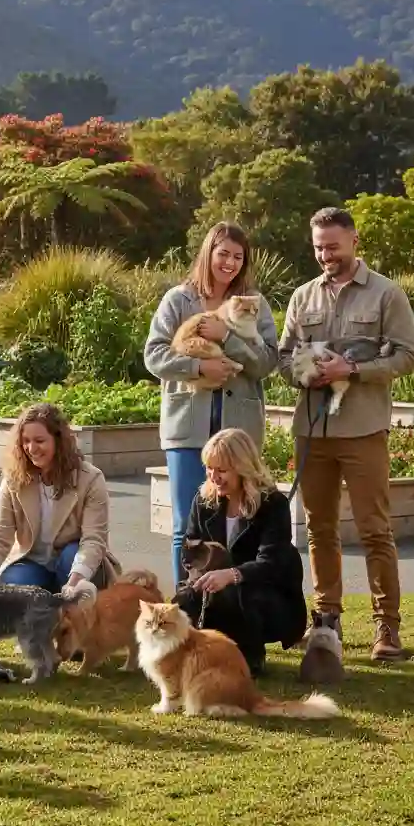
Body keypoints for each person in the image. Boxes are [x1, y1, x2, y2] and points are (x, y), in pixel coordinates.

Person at [278, 206, 414, 661]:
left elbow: (406, 358)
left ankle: (387, 628)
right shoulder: (303, 297)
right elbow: (284, 357)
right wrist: (306, 371)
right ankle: (327, 618)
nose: (325, 256)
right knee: (318, 529)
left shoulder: (386, 294)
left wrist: (352, 368)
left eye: (332, 247)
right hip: (312, 432)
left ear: (354, 241)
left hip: (363, 430)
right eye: (318, 248)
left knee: (375, 530)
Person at [144, 221, 279, 589]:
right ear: (208, 253)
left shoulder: (254, 303)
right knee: (186, 524)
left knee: (245, 519)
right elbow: (154, 355)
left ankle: (239, 602)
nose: (230, 263)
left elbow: (267, 361)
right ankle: (186, 603)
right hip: (188, 428)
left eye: (238, 256)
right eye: (224, 254)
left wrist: (228, 339)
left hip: (239, 431)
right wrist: (199, 367)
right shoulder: (178, 299)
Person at [173, 428, 307, 678]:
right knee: (181, 602)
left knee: (237, 593)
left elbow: (272, 563)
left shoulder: (272, 504)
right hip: (216, 589)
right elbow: (189, 551)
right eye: (209, 468)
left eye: (222, 470)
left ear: (243, 468)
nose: (214, 477)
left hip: (266, 595)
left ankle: (250, 657)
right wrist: (196, 581)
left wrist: (232, 574)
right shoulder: (202, 502)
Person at [0, 403, 121, 591]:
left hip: (77, 565)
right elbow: (0, 534)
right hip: (32, 562)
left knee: (70, 555)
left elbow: (94, 540)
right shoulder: (13, 479)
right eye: (25, 441)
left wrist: (74, 584)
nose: (31, 448)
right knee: (14, 584)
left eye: (39, 441)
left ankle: (71, 606)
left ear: (59, 441)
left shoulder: (90, 478)